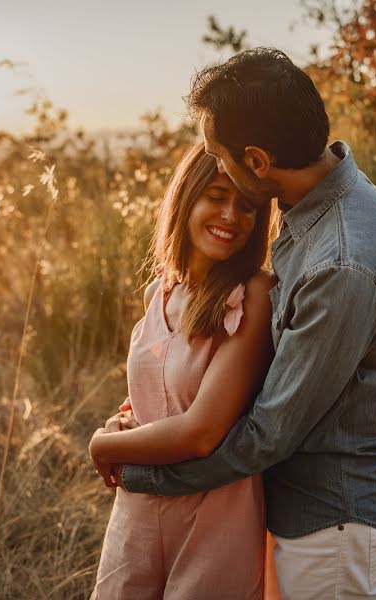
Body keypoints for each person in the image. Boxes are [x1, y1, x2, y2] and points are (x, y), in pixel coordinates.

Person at [109, 48, 376, 599]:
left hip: (334, 517)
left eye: (219, 157)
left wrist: (142, 473)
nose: (216, 166)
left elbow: (267, 433)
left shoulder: (341, 262)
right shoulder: (317, 216)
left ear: (256, 160)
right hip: (305, 506)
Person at [88, 142, 278, 599]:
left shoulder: (252, 293)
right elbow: (157, 394)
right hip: (138, 510)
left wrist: (103, 444)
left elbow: (201, 432)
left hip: (214, 517)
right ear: (186, 197)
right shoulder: (158, 291)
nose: (232, 216)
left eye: (248, 206)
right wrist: (126, 421)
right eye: (216, 195)